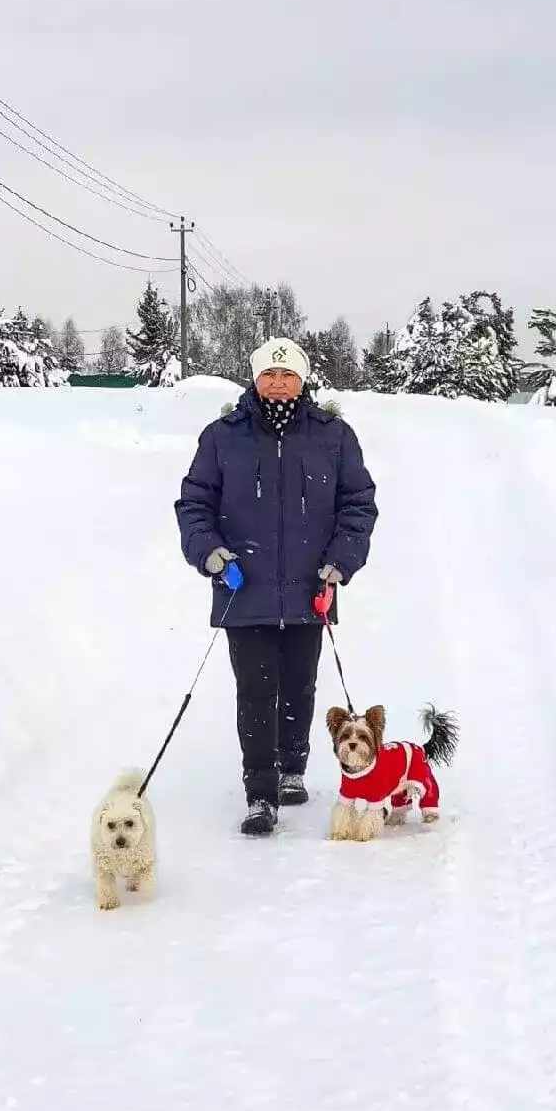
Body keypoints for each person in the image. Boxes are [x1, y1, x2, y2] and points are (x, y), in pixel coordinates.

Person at [175, 336, 378, 836]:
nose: (279, 384)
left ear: (303, 379)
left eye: (288, 375)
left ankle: (293, 768)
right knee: (255, 689)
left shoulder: (334, 437)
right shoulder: (223, 436)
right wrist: (209, 552)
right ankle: (260, 793)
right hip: (244, 589)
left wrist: (341, 560)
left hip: (312, 587)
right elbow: (194, 503)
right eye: (269, 375)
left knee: (299, 686)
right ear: (255, 379)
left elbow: (358, 503)